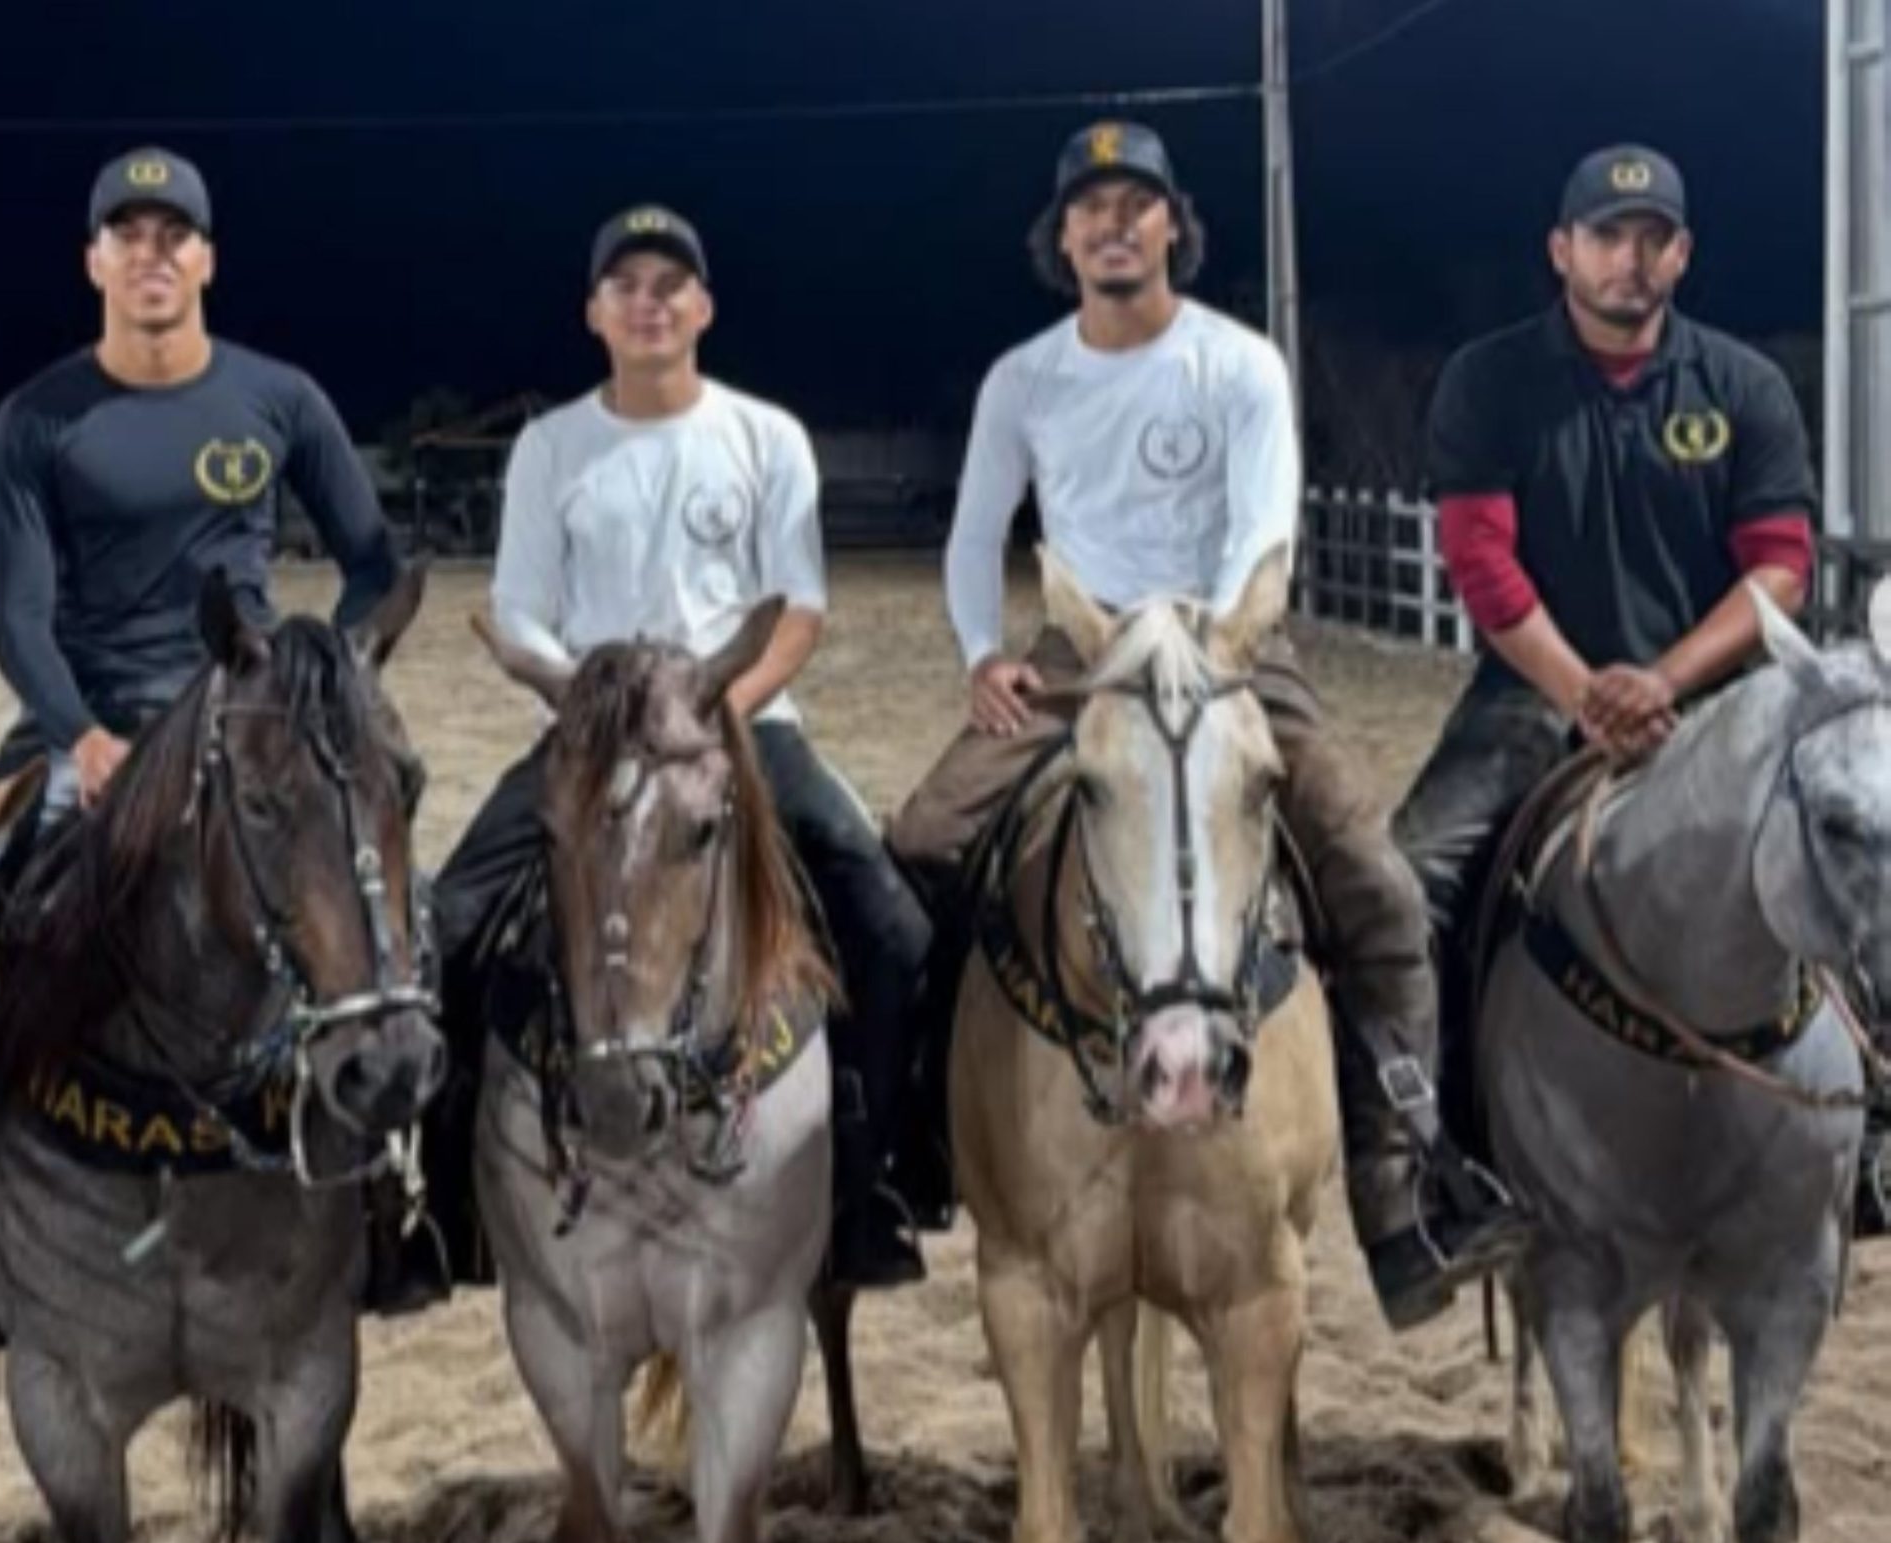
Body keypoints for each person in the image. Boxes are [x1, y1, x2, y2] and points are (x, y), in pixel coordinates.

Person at [886, 119, 1529, 1332]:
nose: (1114, 224)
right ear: (1060, 235)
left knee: (1378, 887)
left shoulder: (1237, 363)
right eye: (1091, 207)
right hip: (1078, 657)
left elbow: (1260, 526)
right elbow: (977, 536)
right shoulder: (1022, 380)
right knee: (919, 850)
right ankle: (920, 1151)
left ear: (1173, 224)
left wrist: (1219, 637)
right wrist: (983, 657)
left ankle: (1401, 1191)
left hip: (1234, 649)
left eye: (1138, 204)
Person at [426, 204, 934, 1291]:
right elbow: (517, 612)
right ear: (594, 311)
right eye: (627, 285)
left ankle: (873, 1180)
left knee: (888, 922)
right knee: (448, 925)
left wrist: (719, 711)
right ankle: (443, 1203)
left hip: (740, 727)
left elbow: (798, 609)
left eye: (669, 284)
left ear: (701, 307)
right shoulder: (552, 445)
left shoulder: (764, 437)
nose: (649, 302)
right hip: (590, 738)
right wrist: (591, 709)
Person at [0, 146, 436, 1321]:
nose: (151, 253)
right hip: (97, 729)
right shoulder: (38, 418)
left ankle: (394, 1205)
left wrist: (328, 680)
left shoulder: (278, 399)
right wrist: (76, 738)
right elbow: (19, 620)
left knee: (380, 916)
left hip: (251, 727)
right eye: (127, 235)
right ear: (94, 263)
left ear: (206, 258)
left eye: (171, 234)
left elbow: (374, 565)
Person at [1394, 145, 1875, 1232]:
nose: (1631, 258)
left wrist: (1657, 679)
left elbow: (1778, 566)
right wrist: (1584, 692)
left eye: (1654, 237)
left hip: (1720, 696)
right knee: (1406, 882)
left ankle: (1873, 1129)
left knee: (1861, 843)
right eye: (1608, 237)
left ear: (1683, 253)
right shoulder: (1491, 380)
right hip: (1530, 689)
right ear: (1561, 250)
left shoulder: (1742, 386)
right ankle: (1438, 1159)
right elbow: (1480, 562)